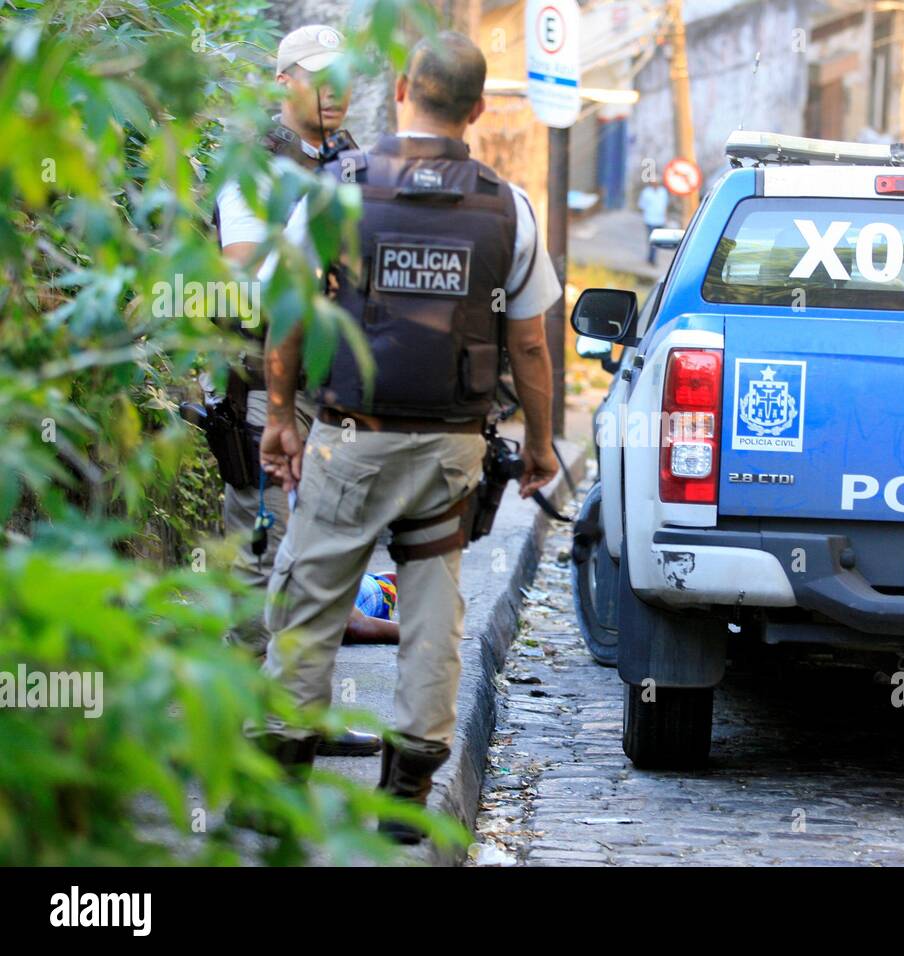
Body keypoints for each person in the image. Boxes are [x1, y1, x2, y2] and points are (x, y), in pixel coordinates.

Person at [254, 31, 562, 843]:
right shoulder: (510, 206)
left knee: (311, 597)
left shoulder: (335, 193)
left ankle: (276, 786)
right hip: (452, 448)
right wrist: (539, 446)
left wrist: (281, 417)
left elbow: (285, 311)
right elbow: (530, 343)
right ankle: (410, 785)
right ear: (480, 109)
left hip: (352, 438)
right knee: (433, 604)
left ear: (398, 89)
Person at [212, 24, 380, 758]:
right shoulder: (253, 166)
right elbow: (247, 274)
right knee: (260, 551)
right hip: (264, 389)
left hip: (334, 390)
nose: (336, 90)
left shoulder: (352, 162)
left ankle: (294, 716)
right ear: (284, 83)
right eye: (319, 76)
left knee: (326, 556)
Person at [637, 175, 670, 265]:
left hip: (660, 220)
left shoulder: (663, 192)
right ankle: (652, 258)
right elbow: (642, 205)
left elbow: (665, 205)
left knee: (658, 240)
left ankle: (653, 258)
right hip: (650, 219)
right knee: (652, 239)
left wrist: (666, 217)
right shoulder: (646, 192)